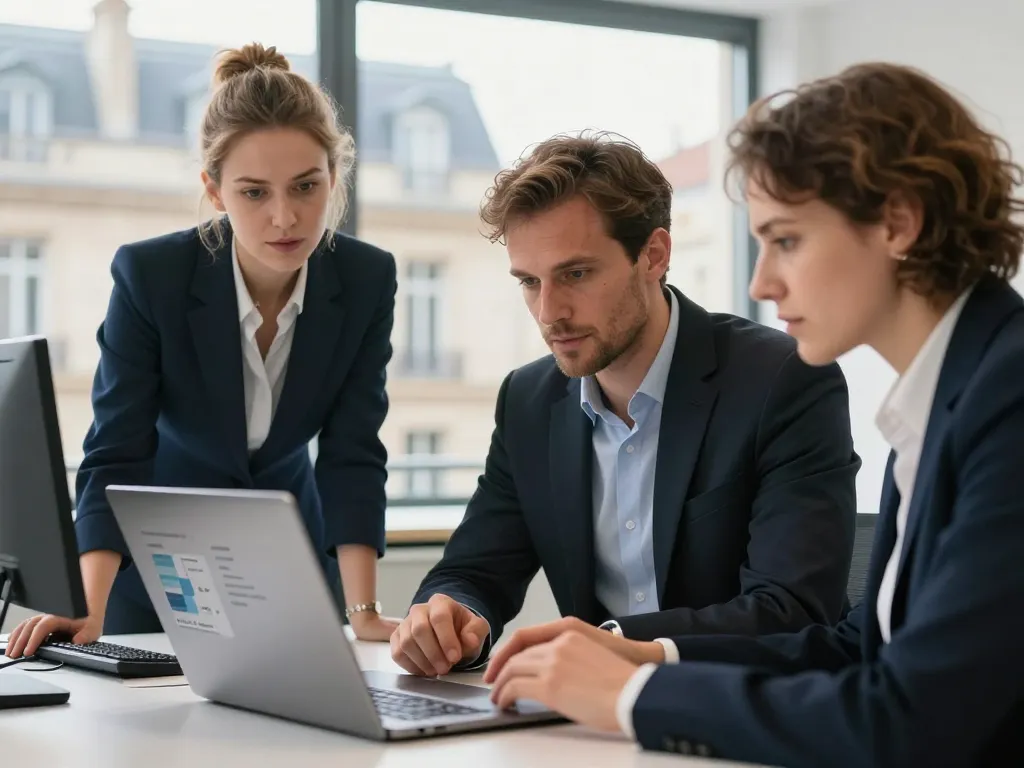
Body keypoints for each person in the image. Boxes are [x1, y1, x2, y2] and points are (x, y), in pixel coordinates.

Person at [480, 62, 1024, 766]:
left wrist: (630, 699)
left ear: (898, 222)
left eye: (787, 239)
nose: (761, 283)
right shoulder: (943, 401)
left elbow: (908, 722)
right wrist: (641, 652)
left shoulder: (1007, 400)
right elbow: (856, 647)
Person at [390, 131, 861, 679]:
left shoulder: (783, 380)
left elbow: (793, 610)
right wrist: (450, 618)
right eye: (529, 282)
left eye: (576, 274)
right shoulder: (528, 401)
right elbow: (474, 570)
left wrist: (611, 645)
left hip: (752, 711)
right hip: (597, 724)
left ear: (654, 256)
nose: (549, 312)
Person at [5, 43, 400, 659]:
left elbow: (353, 451)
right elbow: (117, 452)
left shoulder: (366, 278)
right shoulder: (152, 275)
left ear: (334, 177)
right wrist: (86, 606)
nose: (284, 216)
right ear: (213, 191)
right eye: (253, 192)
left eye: (306, 186)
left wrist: (366, 612)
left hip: (289, 555)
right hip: (160, 563)